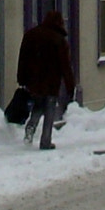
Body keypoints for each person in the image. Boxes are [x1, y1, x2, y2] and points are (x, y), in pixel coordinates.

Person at [14, 9, 75, 150]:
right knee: (49, 111)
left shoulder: (31, 35)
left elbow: (23, 58)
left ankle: (30, 127)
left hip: (34, 81)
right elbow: (66, 66)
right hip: (51, 82)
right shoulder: (59, 41)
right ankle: (45, 141)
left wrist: (21, 78)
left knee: (38, 106)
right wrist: (70, 86)